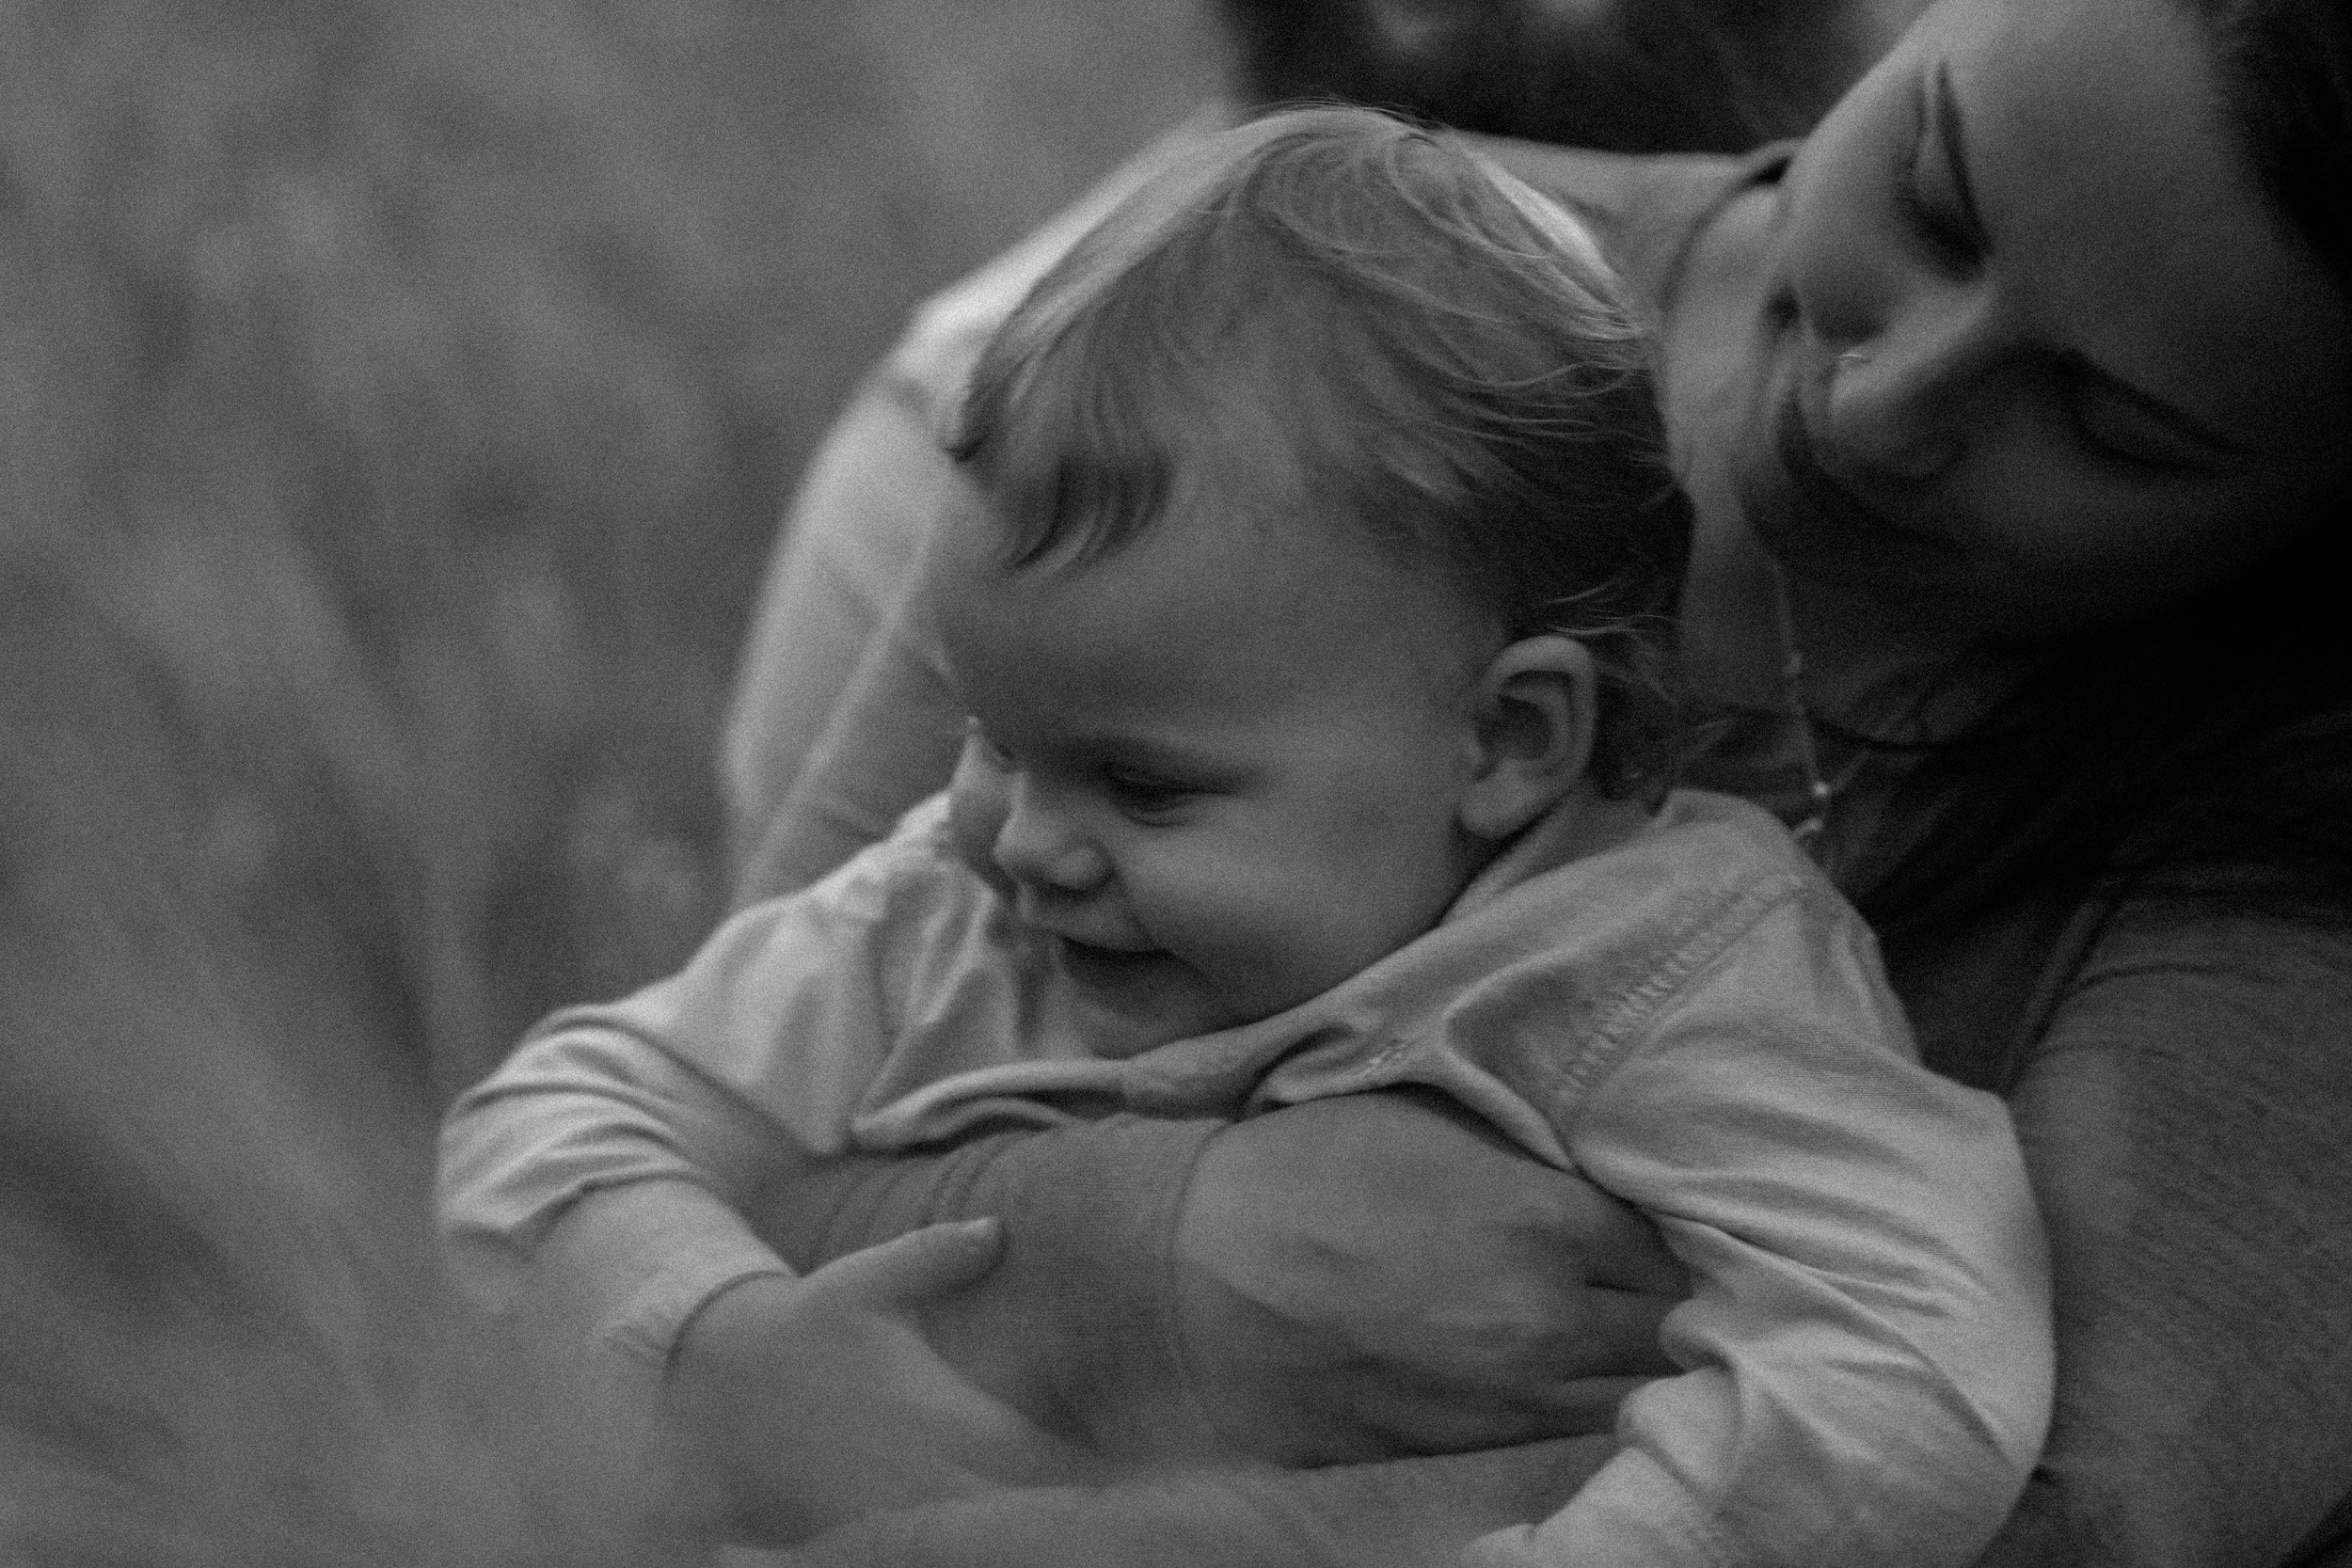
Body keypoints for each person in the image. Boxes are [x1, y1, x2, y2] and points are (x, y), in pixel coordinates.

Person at [670, 0, 2352, 1563]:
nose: (1878, 403)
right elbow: (699, 1144)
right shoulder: (1286, 313)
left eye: (2108, 424)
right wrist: (1135, 1252)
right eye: (1932, 198)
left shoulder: (2293, 828)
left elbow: (2043, 1527)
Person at [438, 109, 2051, 1567]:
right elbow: (557, 1120)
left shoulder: (1668, 978)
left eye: (1145, 789)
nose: (1024, 841)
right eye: (995, 737)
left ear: (1504, 740)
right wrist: (707, 1349)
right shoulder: (952, 909)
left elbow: (1914, 1349)